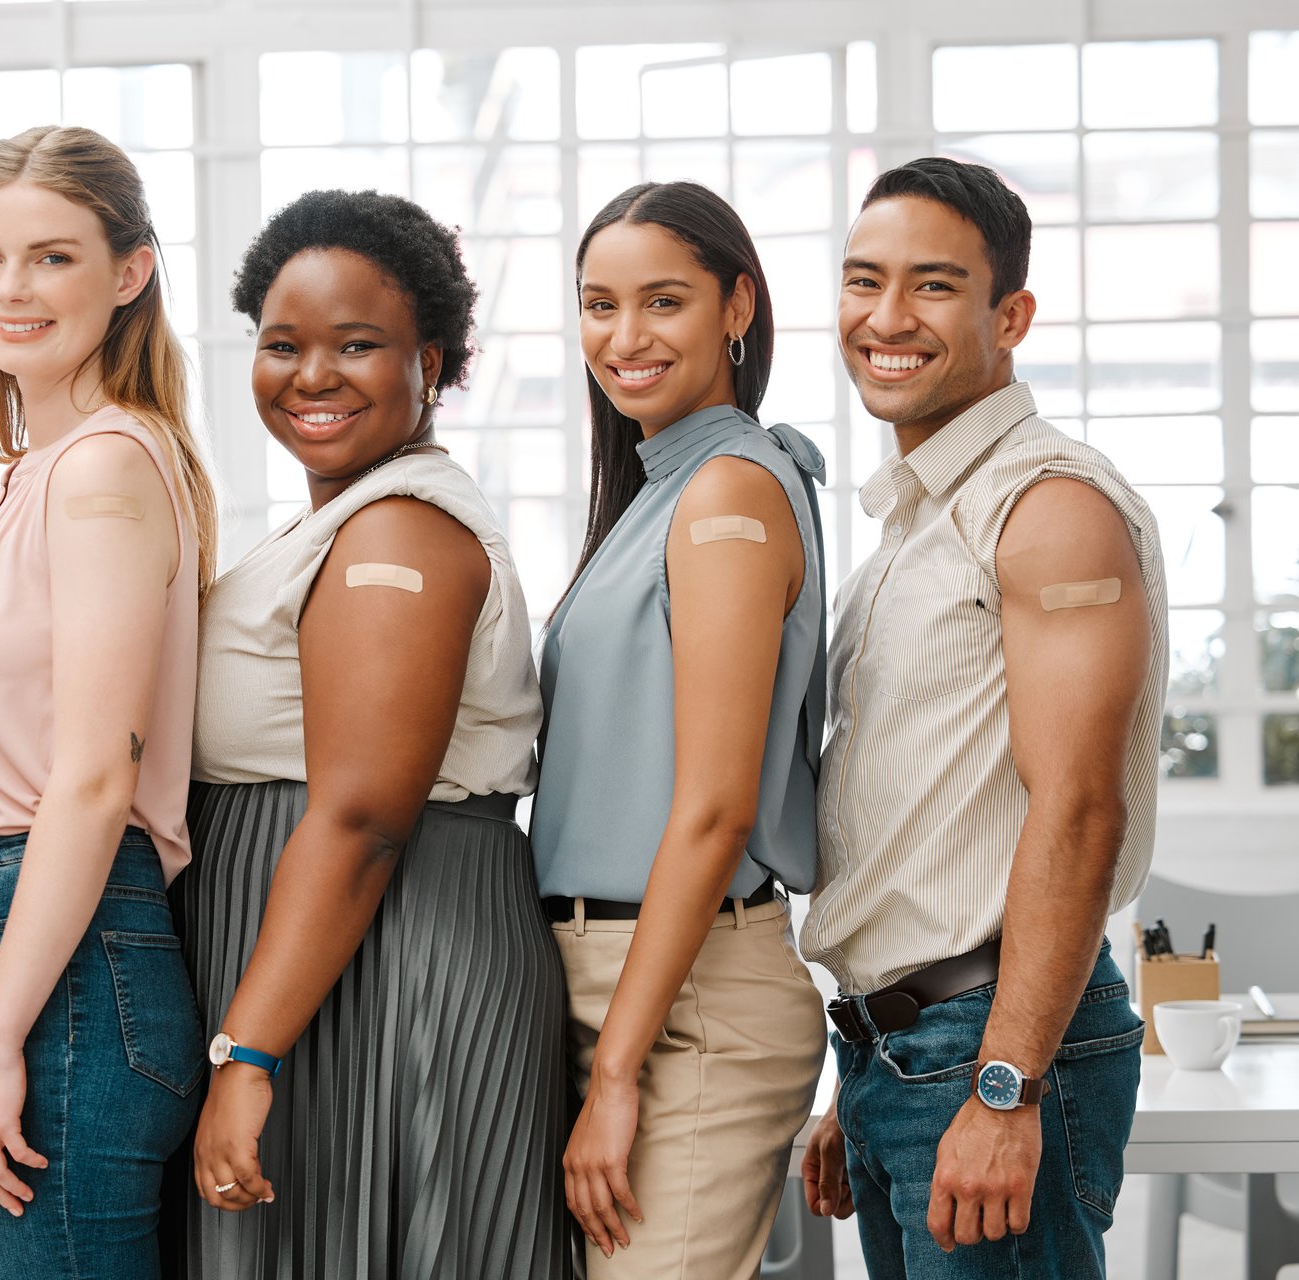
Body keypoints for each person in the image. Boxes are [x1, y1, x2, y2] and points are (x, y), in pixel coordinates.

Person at [173, 188, 570, 1279]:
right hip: (316, 960)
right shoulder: (338, 520)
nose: (313, 376)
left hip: (386, 958)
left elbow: (358, 817)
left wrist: (249, 1051)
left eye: (359, 345)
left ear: (432, 362)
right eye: (282, 344)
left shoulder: (401, 526)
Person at [799, 157, 1165, 1279]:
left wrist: (1005, 1084)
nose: (887, 318)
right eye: (864, 281)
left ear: (1011, 315)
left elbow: (1081, 809)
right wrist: (860, 1078)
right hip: (906, 1053)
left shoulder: (1046, 505)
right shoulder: (915, 528)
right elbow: (919, 825)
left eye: (933, 286)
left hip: (989, 1050)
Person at [0, 124, 217, 1279]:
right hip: (3, 940)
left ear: (130, 272)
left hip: (65, 958)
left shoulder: (104, 467)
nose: (10, 289)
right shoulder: (39, 473)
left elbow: (92, 777)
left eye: (51, 257)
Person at [533, 181, 829, 1277]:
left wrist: (618, 1073)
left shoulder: (725, 493)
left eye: (663, 301)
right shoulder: (660, 490)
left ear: (736, 306)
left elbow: (713, 810)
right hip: (615, 980)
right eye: (597, 304)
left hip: (685, 997)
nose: (624, 337)